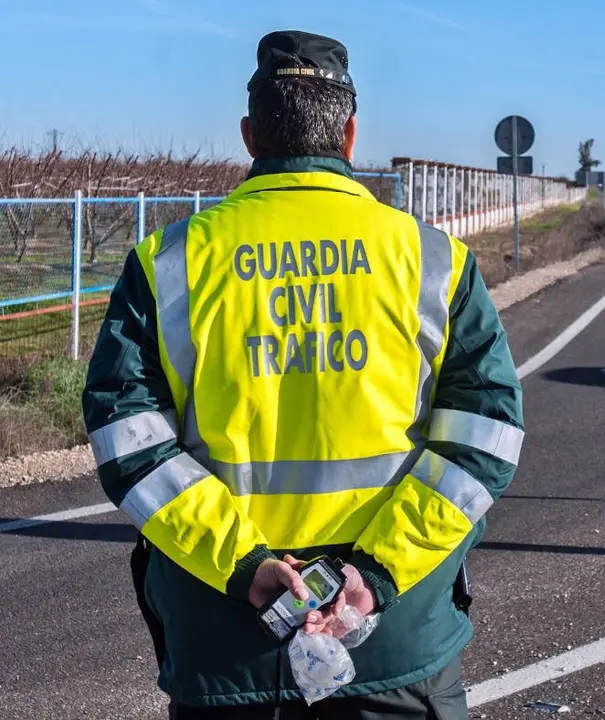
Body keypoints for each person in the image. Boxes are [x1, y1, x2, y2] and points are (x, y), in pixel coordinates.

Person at [81, 29, 523, 719]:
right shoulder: (432, 262)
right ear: (349, 135)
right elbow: (485, 438)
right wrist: (374, 574)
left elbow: (128, 443)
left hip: (227, 639)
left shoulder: (168, 265)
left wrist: (243, 567)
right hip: (388, 640)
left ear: (250, 134)